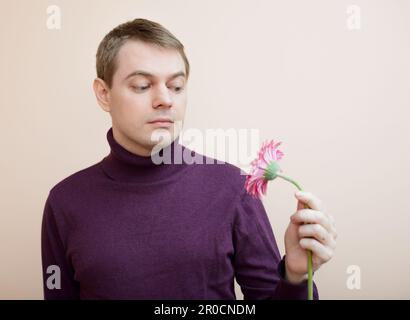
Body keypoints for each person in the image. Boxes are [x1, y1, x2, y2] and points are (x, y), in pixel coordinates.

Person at [41, 18, 337, 300]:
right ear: (104, 94)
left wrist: (295, 275)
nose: (165, 99)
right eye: (143, 86)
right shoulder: (65, 202)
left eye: (176, 86)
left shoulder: (234, 188)